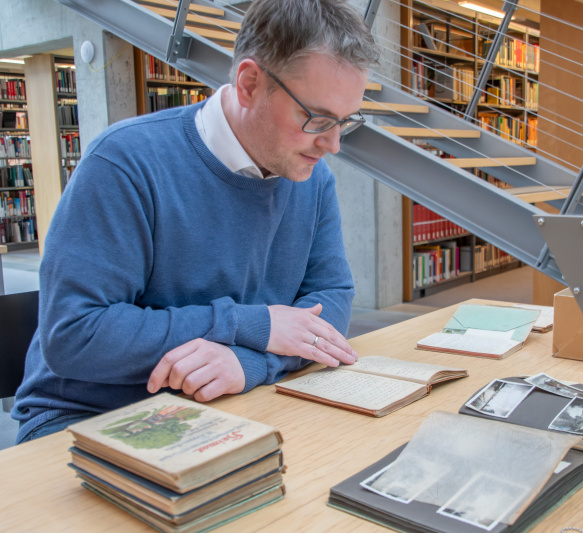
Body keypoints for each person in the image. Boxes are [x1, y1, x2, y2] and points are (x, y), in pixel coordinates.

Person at [12, 0, 381, 443]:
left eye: (345, 121)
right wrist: (252, 325)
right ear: (249, 84)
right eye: (317, 118)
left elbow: (331, 301)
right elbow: (74, 335)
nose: (333, 144)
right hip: (92, 414)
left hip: (231, 403)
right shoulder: (124, 162)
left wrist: (251, 364)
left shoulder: (311, 176)